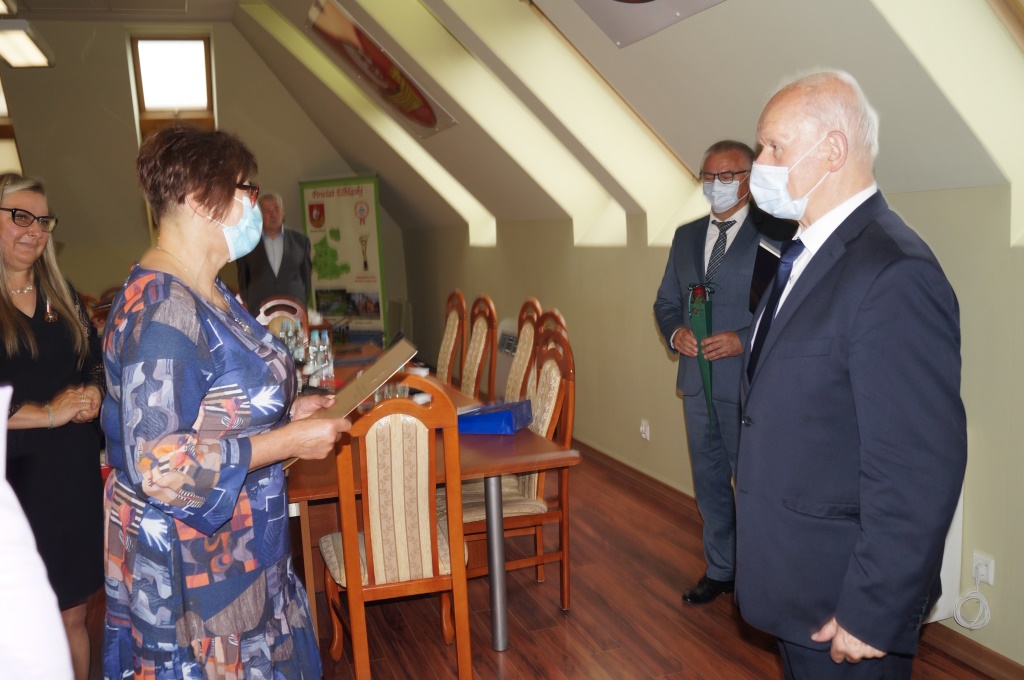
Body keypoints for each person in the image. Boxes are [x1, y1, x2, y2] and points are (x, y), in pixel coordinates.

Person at [736, 71, 967, 679]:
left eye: (774, 147)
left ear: (833, 150)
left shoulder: (894, 272)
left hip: (845, 605)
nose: (759, 165)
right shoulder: (806, 252)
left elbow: (918, 467)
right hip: (797, 583)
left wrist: (872, 611)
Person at [101, 125, 350, 678]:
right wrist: (286, 441)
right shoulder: (165, 312)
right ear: (199, 198)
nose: (253, 204)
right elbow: (160, 468)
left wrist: (287, 412)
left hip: (242, 550)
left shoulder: (208, 288)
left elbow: (218, 402)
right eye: (244, 189)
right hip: (198, 573)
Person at [654, 141, 793, 606]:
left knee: (751, 483)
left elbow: (781, 307)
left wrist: (742, 338)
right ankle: (721, 569)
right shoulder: (686, 237)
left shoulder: (772, 235)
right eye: (709, 176)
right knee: (709, 480)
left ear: (749, 179)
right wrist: (675, 333)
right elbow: (666, 302)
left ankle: (758, 578)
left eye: (727, 176)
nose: (716, 185)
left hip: (747, 385)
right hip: (697, 384)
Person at [0, 172, 104, 680]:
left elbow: (95, 361)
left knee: (73, 615)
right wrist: (48, 413)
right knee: (20, 625)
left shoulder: (60, 293)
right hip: (14, 483)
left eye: (43, 221)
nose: (34, 231)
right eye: (20, 217)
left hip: (72, 474)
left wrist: (94, 393)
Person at [236, 191, 312, 316]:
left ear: (283, 212)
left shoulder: (301, 242)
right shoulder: (248, 244)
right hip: (259, 314)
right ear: (259, 215)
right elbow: (243, 282)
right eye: (266, 211)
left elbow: (307, 281)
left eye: (276, 209)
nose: (273, 215)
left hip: (294, 313)